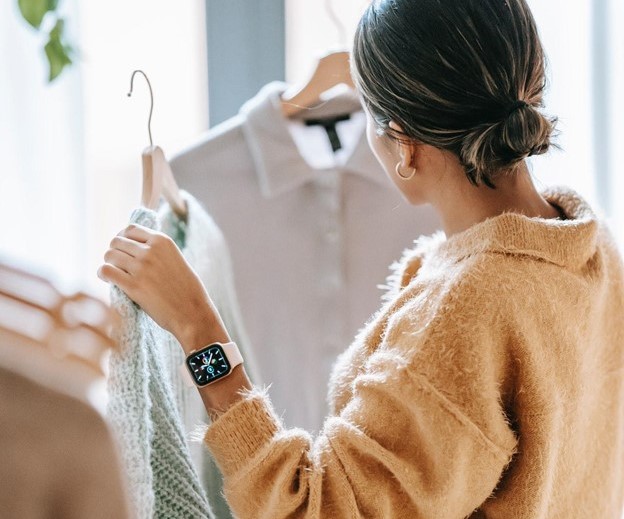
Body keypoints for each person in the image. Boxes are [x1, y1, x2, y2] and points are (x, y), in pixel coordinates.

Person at [98, 0, 624, 516]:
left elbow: (316, 508)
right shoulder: (589, 247)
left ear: (402, 144)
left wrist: (198, 326)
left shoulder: (468, 310)